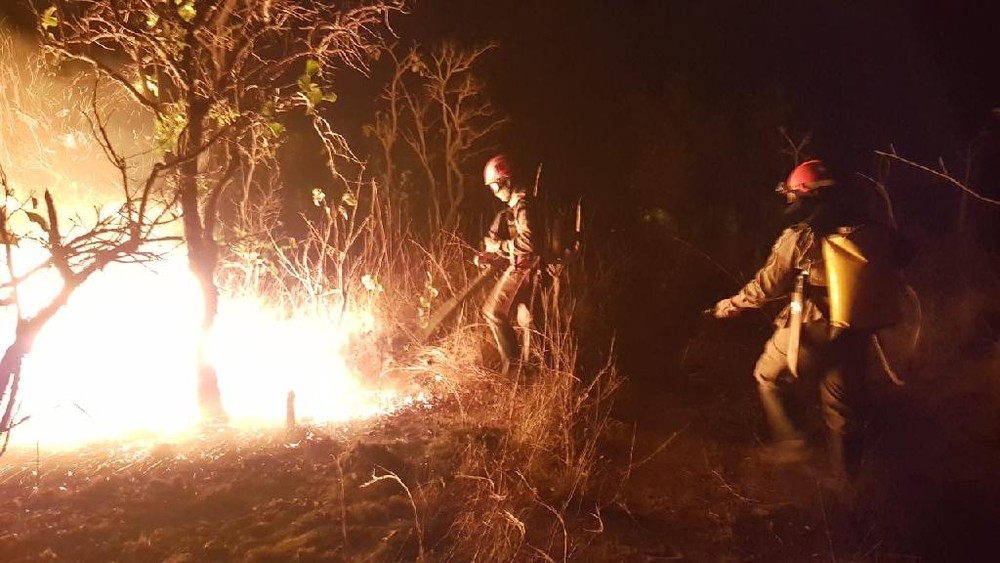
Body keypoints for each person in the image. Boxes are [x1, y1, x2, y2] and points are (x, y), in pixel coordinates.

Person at [711, 159, 895, 486]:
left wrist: (731, 305)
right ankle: (848, 491)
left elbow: (766, 286)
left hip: (811, 328)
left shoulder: (801, 236)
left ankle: (793, 442)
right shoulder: (869, 231)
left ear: (804, 197)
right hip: (854, 331)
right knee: (842, 414)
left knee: (767, 375)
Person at [478, 154, 540, 374]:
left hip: (525, 266)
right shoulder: (513, 209)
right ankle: (525, 372)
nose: (495, 193)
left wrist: (498, 247)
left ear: (506, 181)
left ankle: (513, 371)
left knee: (493, 311)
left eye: (495, 186)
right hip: (525, 266)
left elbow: (528, 243)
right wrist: (490, 255)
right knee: (525, 319)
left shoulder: (524, 206)